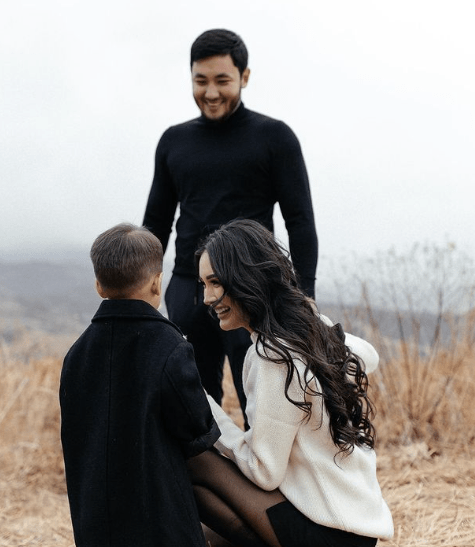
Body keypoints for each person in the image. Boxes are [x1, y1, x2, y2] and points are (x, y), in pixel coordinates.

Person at [143, 29, 318, 417]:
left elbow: (300, 221)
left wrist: (305, 293)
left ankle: (266, 459)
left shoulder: (275, 137)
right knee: (194, 409)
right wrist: (140, 288)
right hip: (188, 289)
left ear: (244, 76)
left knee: (265, 403)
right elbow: (156, 222)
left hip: (254, 289)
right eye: (200, 80)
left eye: (222, 80)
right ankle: (205, 461)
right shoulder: (173, 142)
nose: (210, 92)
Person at [189, 219, 394, 547]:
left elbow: (264, 472)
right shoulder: (314, 329)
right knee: (209, 536)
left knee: (196, 462)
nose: (206, 297)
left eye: (215, 282)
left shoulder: (272, 354)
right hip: (359, 530)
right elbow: (369, 355)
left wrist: (201, 403)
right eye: (203, 284)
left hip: (328, 534)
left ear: (246, 277)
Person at [59, 223, 220, 547]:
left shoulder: (76, 355)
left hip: (95, 527)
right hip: (162, 527)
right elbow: (198, 431)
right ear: (157, 283)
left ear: (98, 286)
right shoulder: (170, 347)